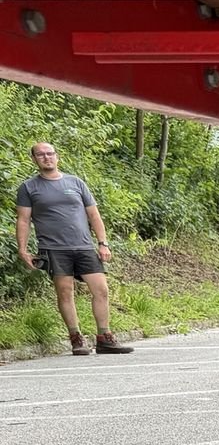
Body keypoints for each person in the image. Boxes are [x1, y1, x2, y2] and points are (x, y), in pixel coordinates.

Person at [13, 142, 131, 354]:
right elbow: (23, 220)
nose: (46, 157)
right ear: (34, 159)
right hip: (53, 248)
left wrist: (103, 243)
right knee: (65, 292)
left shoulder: (75, 182)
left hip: (84, 246)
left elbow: (94, 215)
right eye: (41, 155)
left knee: (101, 290)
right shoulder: (29, 187)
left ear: (57, 157)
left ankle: (104, 337)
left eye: (50, 154)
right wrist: (23, 249)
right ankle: (76, 338)